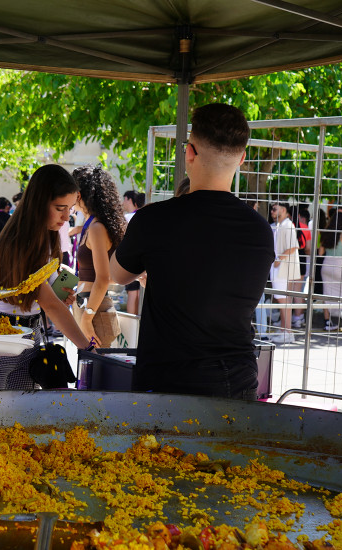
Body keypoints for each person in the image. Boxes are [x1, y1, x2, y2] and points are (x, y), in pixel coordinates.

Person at [110, 103, 273, 398]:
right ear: (242, 159)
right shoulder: (260, 230)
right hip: (237, 383)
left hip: (168, 386)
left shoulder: (154, 219)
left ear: (189, 153)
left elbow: (117, 274)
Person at [0, 165, 93, 390]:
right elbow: (50, 304)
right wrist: (87, 347)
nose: (66, 216)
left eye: (70, 208)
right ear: (39, 202)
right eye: (60, 207)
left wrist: (61, 293)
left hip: (30, 337)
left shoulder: (48, 236)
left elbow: (47, 298)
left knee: (22, 421)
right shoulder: (21, 241)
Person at [71, 165, 125, 347]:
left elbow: (102, 278)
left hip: (93, 310)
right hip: (89, 306)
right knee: (89, 370)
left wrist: (87, 318)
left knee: (93, 371)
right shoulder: (92, 225)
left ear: (80, 193)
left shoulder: (96, 227)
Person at [319, 209, 342, 331]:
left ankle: (327, 321)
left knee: (327, 293)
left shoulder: (325, 233)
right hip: (339, 265)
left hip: (326, 265)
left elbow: (320, 253)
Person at [269, 201, 301, 344]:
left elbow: (293, 246)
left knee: (283, 300)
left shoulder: (288, 225)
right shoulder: (280, 225)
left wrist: (279, 259)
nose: (272, 211)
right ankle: (284, 330)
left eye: (274, 209)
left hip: (282, 268)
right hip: (279, 267)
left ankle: (287, 331)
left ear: (283, 209)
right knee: (282, 299)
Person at [120, 190, 145, 315]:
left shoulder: (127, 218)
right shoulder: (144, 216)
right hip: (143, 260)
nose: (123, 202)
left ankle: (132, 324)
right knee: (139, 293)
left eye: (124, 199)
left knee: (132, 293)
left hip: (130, 259)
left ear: (130, 200)